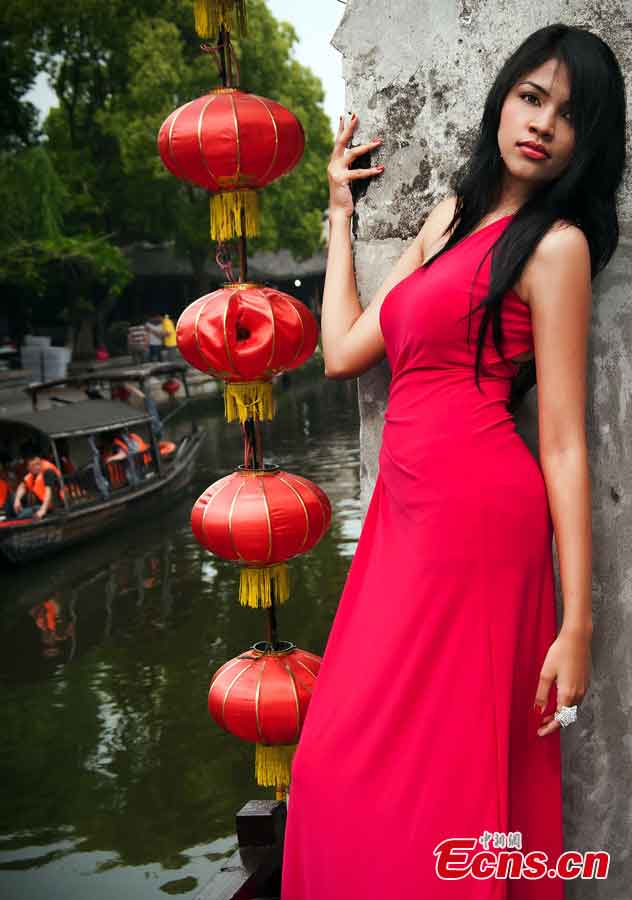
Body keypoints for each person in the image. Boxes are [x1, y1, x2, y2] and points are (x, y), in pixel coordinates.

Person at [281, 24, 623, 899]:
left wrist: (575, 624)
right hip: (405, 518)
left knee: (448, 778)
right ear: (502, 98)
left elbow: (563, 442)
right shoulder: (451, 219)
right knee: (329, 763)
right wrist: (340, 214)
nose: (543, 123)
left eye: (569, 115)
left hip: (477, 522)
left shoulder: (556, 248)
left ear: (591, 141)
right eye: (531, 96)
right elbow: (347, 351)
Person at [13, 455, 64, 520]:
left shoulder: (48, 472)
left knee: (21, 516)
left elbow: (48, 492)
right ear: (28, 468)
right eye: (33, 465)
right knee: (19, 512)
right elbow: (22, 486)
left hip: (54, 506)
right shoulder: (31, 475)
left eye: (38, 464)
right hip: (42, 505)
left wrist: (42, 510)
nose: (37, 467)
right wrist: (17, 500)